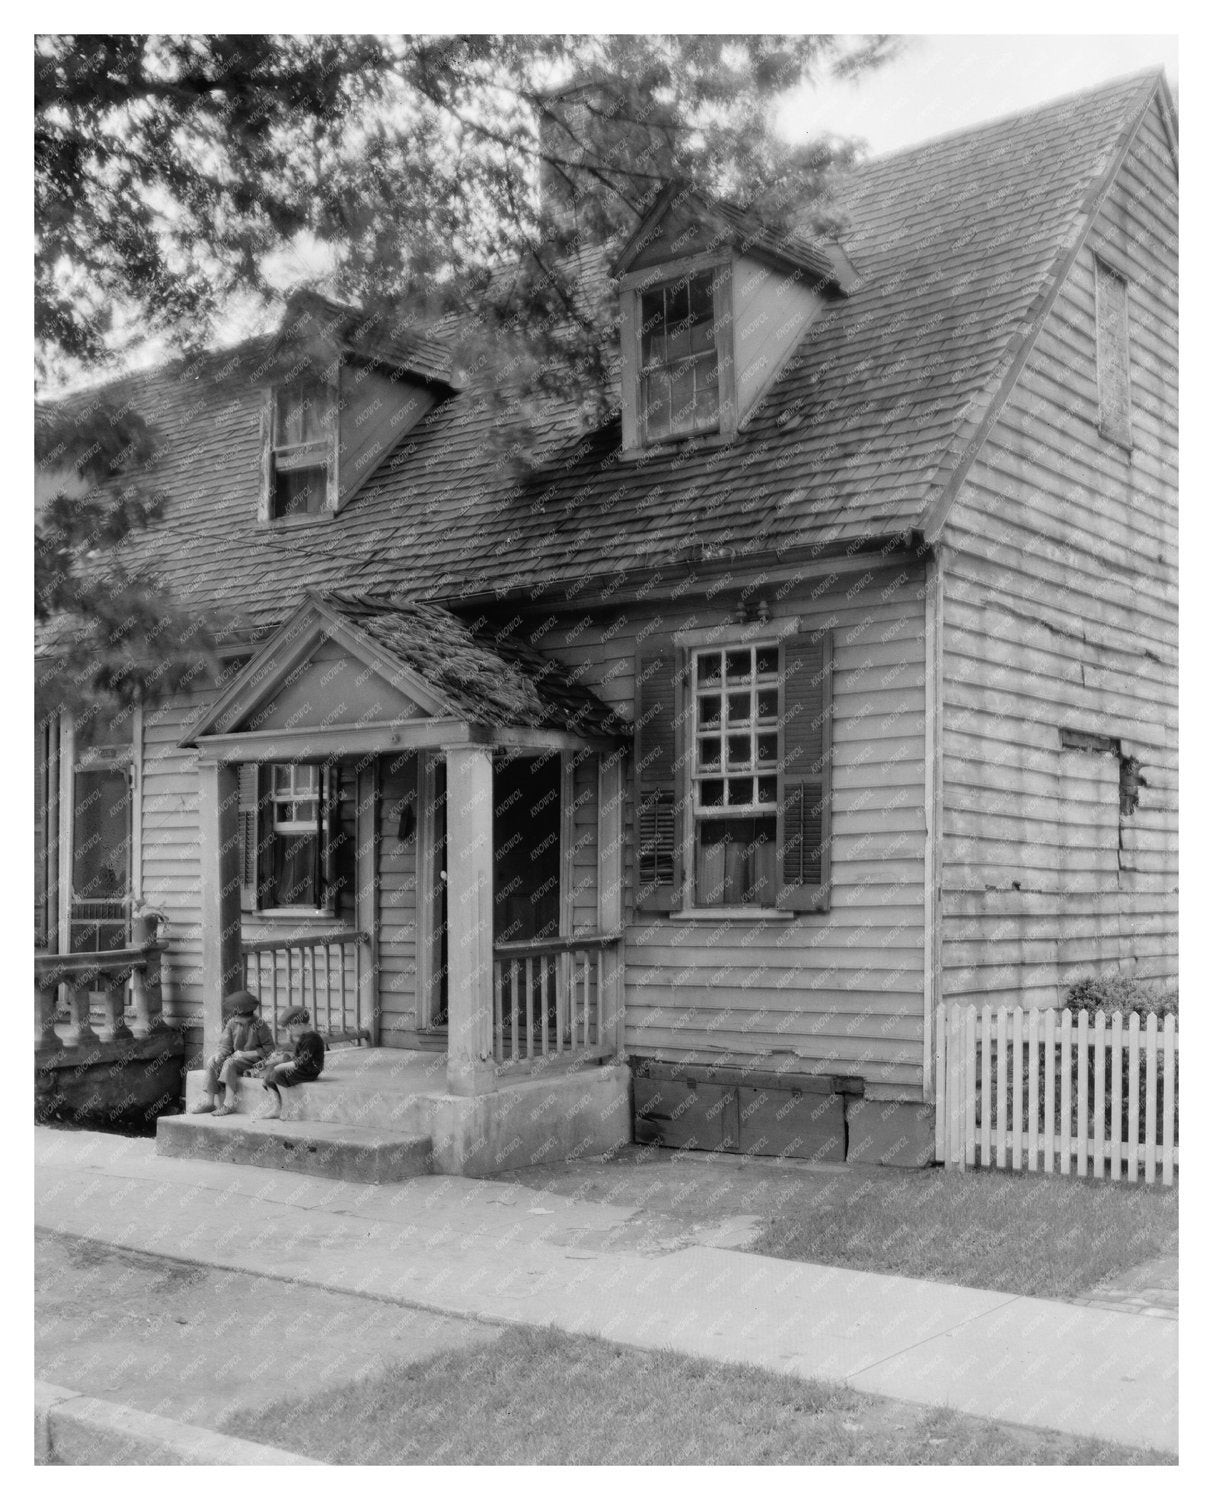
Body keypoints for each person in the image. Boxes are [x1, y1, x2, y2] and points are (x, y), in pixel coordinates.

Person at [191, 990, 274, 1116]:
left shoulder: (260, 1025)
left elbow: (269, 1049)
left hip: (255, 1060)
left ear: (248, 1016)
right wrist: (218, 1055)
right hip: (235, 1057)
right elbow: (225, 1045)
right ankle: (209, 1102)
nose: (236, 1019)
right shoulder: (232, 1023)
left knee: (229, 1063)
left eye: (239, 1017)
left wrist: (246, 1054)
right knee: (213, 1062)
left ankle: (228, 1104)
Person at [259, 1006, 325, 1119]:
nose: (288, 1031)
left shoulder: (312, 1039)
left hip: (309, 1070)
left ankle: (287, 1106)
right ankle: (277, 1108)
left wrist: (280, 1066)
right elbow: (296, 1058)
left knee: (277, 1074)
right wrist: (276, 1061)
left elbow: (300, 1062)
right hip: (302, 1067)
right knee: (268, 1076)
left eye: (290, 1028)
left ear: (299, 1024)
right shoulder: (304, 1036)